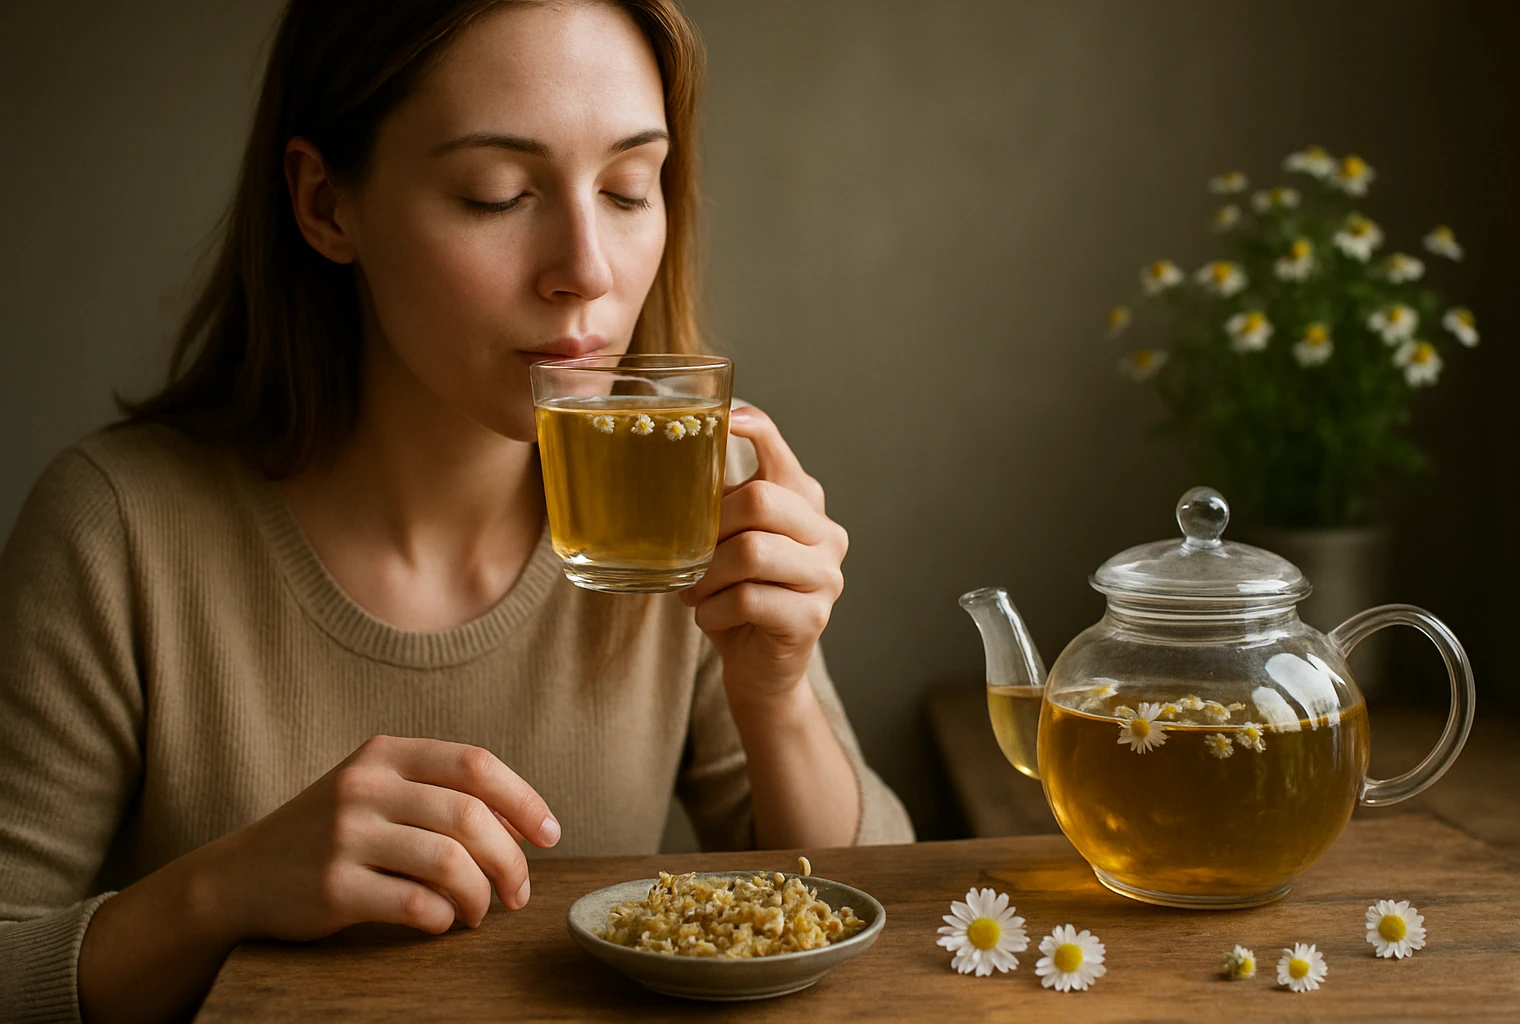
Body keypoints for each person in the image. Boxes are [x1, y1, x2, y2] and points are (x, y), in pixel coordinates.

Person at [0, 2, 913, 1020]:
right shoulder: (116, 532)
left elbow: (875, 916)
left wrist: (777, 691)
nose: (587, 272)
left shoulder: (672, 505)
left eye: (627, 188)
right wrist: (221, 891)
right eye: (499, 194)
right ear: (324, 205)